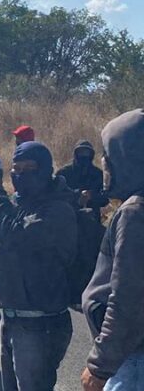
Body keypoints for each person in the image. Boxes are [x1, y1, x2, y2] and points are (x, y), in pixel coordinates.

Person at [0, 142, 77, 391]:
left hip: (40, 325)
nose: (20, 175)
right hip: (10, 315)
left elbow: (14, 236)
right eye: (16, 169)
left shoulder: (57, 209)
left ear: (45, 170)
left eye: (29, 168)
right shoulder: (15, 204)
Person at [81, 109, 144, 391]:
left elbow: (128, 298)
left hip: (132, 360)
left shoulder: (136, 212)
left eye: (107, 154)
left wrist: (100, 365)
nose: (104, 164)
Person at [55, 140, 107, 220]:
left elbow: (105, 198)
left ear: (91, 155)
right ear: (75, 154)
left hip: (92, 220)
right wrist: (77, 195)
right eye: (81, 152)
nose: (84, 155)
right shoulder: (64, 173)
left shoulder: (98, 174)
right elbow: (56, 195)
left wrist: (91, 196)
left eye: (87, 153)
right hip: (69, 219)